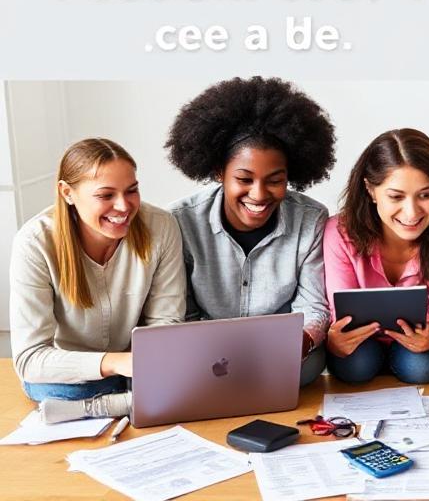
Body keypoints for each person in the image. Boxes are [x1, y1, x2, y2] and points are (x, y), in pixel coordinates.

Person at [166, 77, 336, 387]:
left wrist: (303, 341)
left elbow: (313, 305)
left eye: (274, 180)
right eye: (244, 179)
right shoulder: (181, 221)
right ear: (220, 172)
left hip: (283, 351)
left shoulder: (310, 219)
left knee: (308, 368)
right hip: (208, 350)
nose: (259, 195)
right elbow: (183, 311)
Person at [9, 138, 185, 423]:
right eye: (106, 195)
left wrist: (145, 365)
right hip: (71, 375)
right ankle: (127, 399)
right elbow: (30, 359)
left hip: (136, 369)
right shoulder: (35, 243)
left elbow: (166, 324)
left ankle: (115, 401)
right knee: (51, 388)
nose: (124, 206)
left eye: (132, 191)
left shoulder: (161, 227)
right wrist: (117, 363)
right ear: (67, 192)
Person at [324, 129, 429, 384]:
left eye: (426, 195)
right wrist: (336, 340)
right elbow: (339, 306)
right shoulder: (340, 232)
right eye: (396, 196)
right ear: (371, 190)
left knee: (421, 368)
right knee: (355, 365)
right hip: (361, 343)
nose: (411, 212)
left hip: (414, 345)